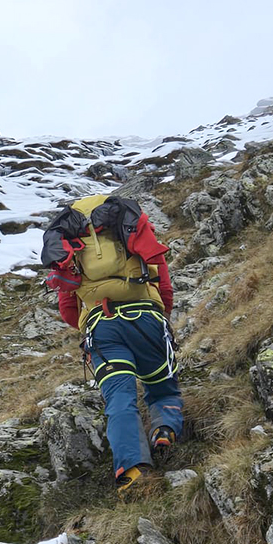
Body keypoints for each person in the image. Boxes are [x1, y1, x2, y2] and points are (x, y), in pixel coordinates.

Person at [43, 193, 183, 498]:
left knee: (120, 398)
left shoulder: (71, 248)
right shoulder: (133, 231)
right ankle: (164, 430)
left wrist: (89, 320)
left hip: (102, 328)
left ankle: (133, 471)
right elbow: (164, 283)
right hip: (146, 319)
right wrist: (161, 315)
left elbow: (67, 309)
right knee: (162, 387)